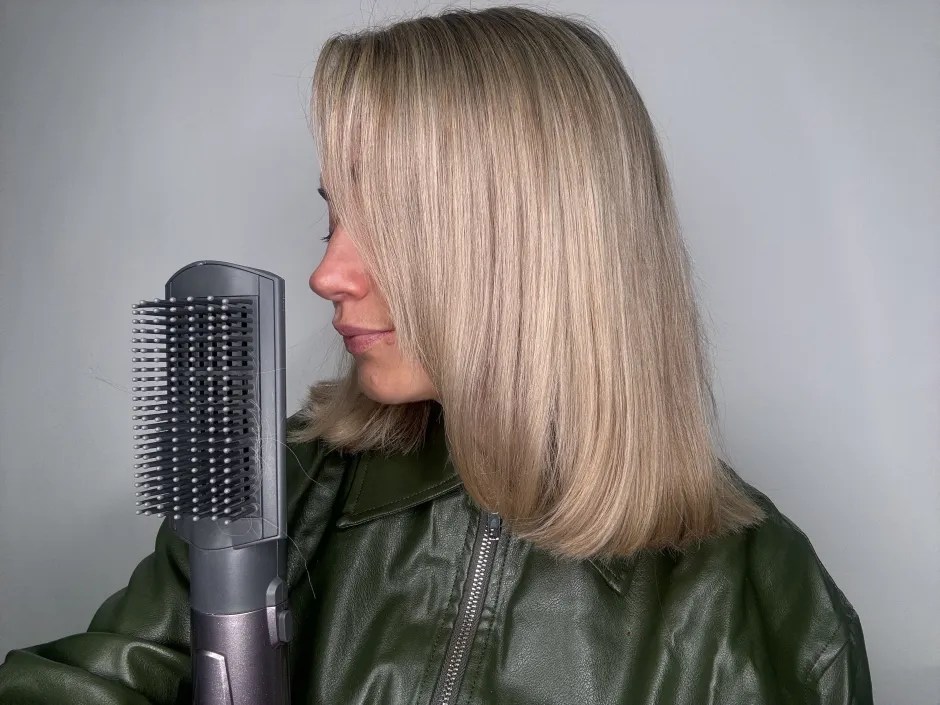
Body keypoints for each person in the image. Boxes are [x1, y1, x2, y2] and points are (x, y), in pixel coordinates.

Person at [0, 5, 872, 704]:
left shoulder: (767, 609)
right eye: (332, 214)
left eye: (388, 220)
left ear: (535, 242)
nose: (326, 271)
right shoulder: (285, 488)